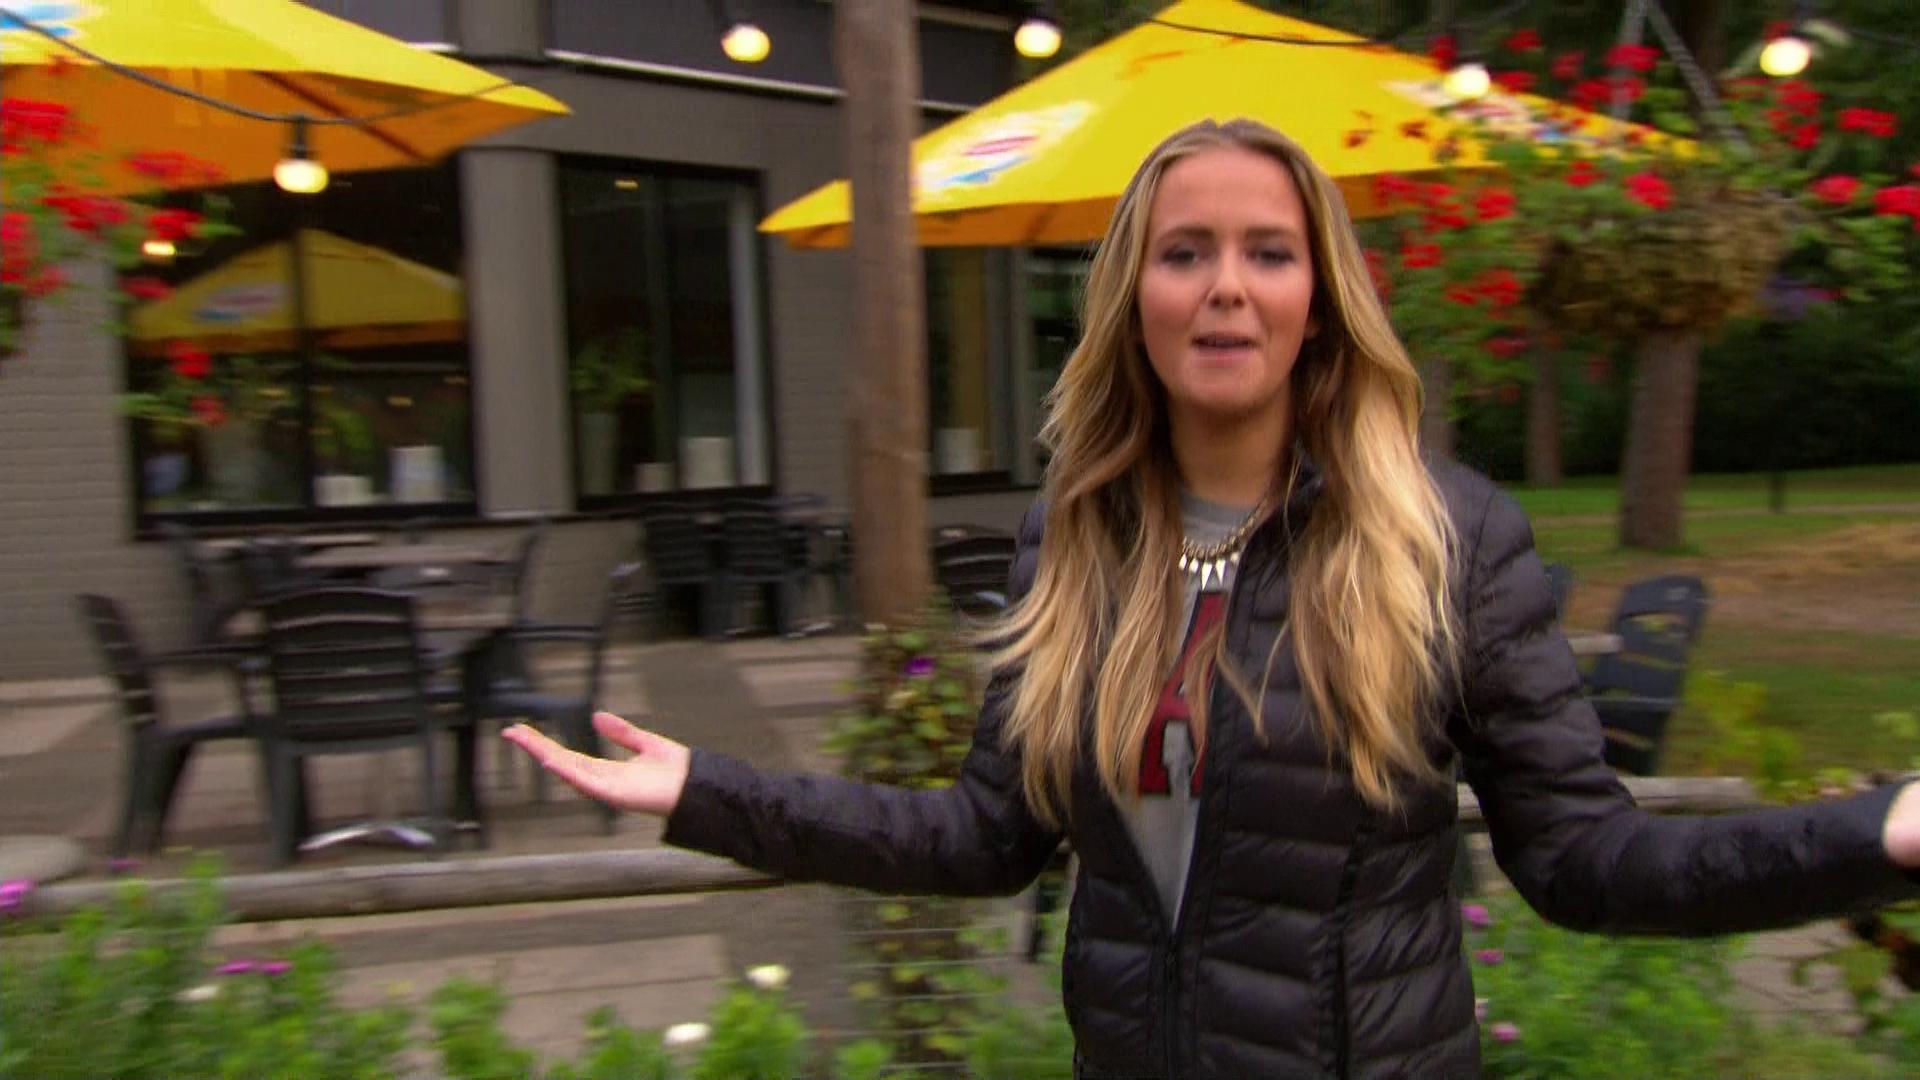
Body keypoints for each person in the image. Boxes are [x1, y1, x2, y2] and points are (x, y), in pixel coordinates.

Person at [505, 118, 1920, 1079]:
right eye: (1186, 253)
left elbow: (1594, 866)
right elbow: (984, 839)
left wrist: (1878, 833)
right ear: (1136, 297)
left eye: (1268, 251)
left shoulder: (1446, 541)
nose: (1225, 288)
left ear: (1320, 296)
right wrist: (706, 792)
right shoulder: (1073, 545)